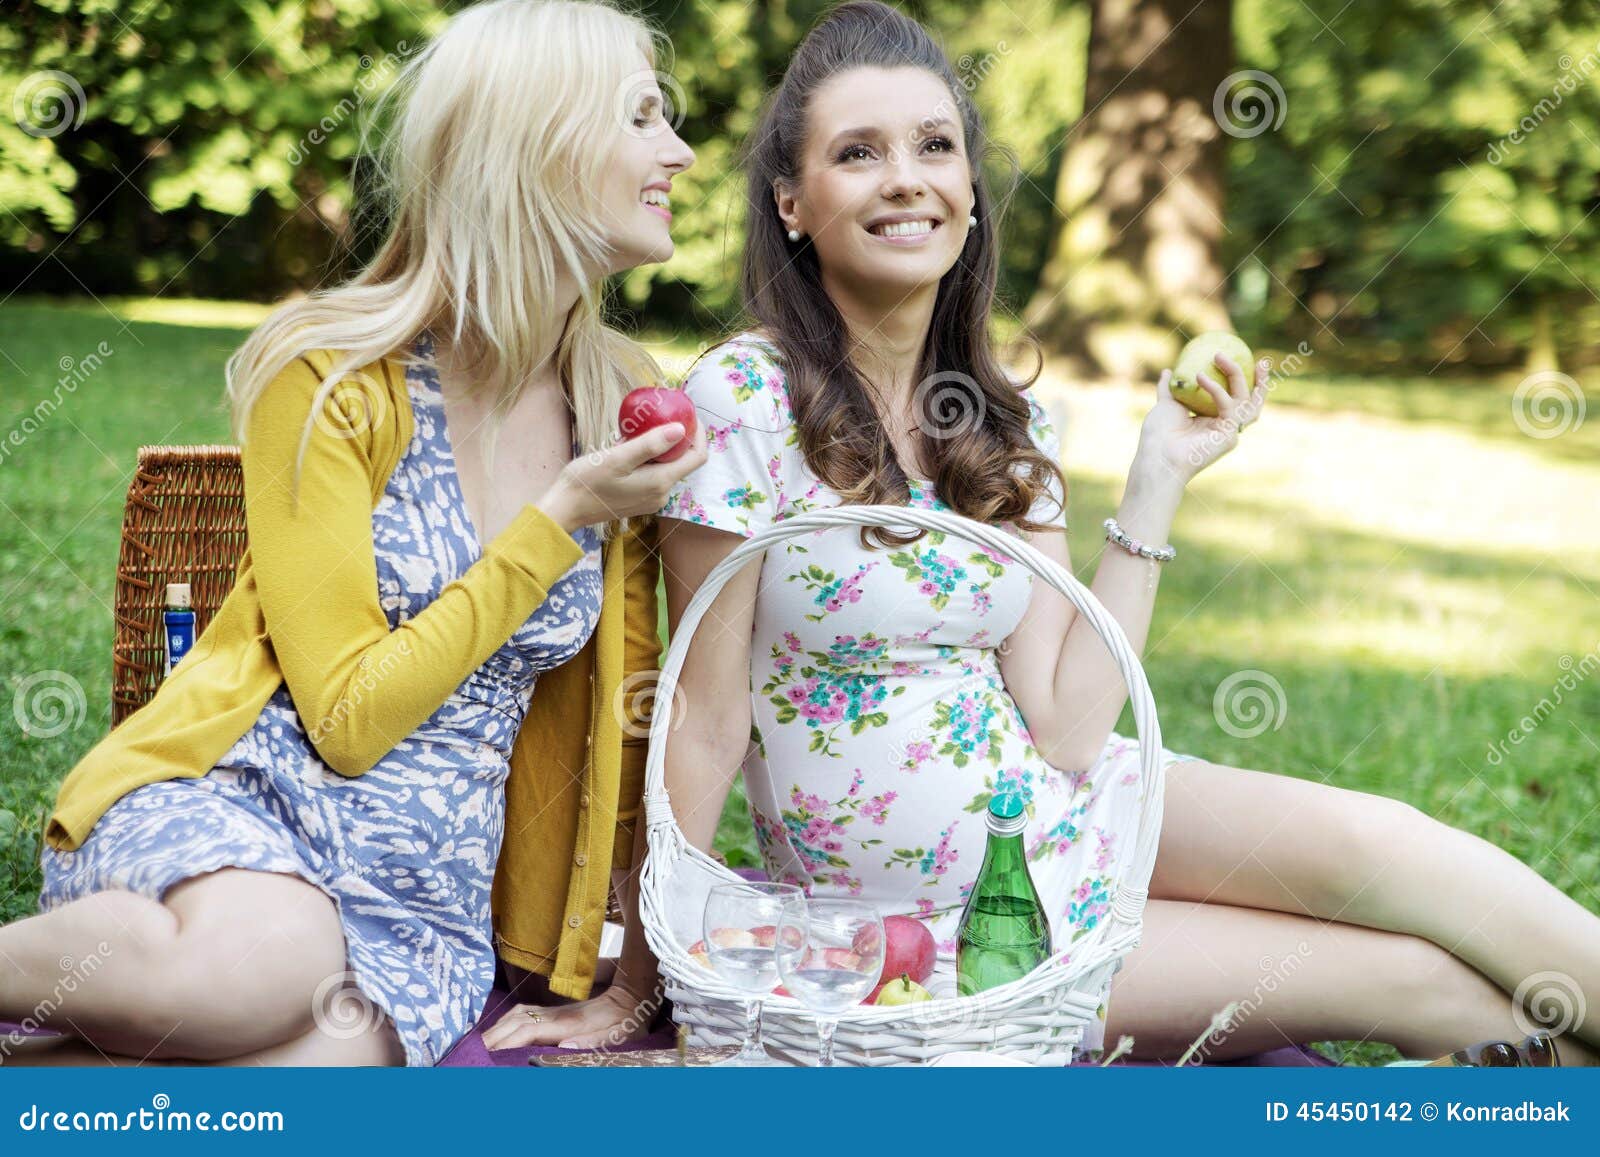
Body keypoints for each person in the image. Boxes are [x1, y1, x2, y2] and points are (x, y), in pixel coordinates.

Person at [646, 1, 1600, 1064]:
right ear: (790, 201)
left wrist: (1155, 481)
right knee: (1416, 981)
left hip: (1072, 803)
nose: (905, 177)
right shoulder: (741, 397)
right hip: (956, 931)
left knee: (1394, 845)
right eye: (857, 153)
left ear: (968, 192)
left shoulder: (998, 417)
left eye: (934, 145)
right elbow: (702, 714)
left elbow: (1064, 725)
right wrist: (655, 970)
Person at [0, 0, 704, 1067]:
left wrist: (636, 979)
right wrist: (556, 519)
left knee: (286, 1093)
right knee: (252, 968)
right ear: (537, 140)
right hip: (242, 806)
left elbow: (639, 710)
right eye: (644, 118)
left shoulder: (622, 399)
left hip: (421, 898)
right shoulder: (330, 375)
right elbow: (344, 718)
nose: (681, 152)